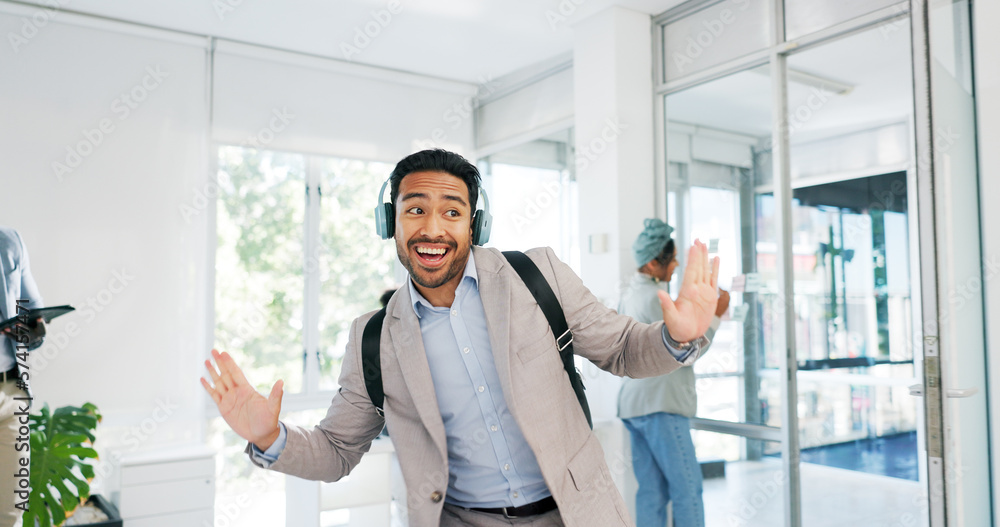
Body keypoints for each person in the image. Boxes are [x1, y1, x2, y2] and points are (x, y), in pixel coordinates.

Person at [201, 149, 722, 526]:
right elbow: (338, 450)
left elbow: (625, 349)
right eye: (414, 210)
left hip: (575, 514)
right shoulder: (374, 338)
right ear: (391, 223)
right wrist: (270, 439)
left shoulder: (537, 276)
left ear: (475, 224)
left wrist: (675, 338)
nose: (432, 229)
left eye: (452, 211)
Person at [617, 219, 730, 527]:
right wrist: (716, 316)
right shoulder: (656, 299)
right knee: (687, 490)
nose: (678, 262)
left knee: (652, 492)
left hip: (634, 406)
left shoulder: (630, 294)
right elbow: (684, 353)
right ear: (653, 263)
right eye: (673, 257)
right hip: (660, 407)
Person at [0, 228, 46, 527]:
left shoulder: (10, 242)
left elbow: (36, 319)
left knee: (11, 512)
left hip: (11, 392)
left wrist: (31, 330)